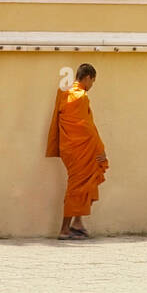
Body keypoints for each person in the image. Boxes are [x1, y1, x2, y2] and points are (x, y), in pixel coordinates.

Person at [46, 64, 109, 240]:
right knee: (76, 186)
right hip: (81, 148)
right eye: (93, 81)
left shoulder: (64, 92)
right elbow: (87, 127)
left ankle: (77, 224)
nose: (92, 85)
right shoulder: (81, 96)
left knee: (82, 183)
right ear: (87, 77)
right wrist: (100, 149)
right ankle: (64, 229)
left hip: (68, 147)